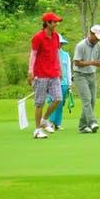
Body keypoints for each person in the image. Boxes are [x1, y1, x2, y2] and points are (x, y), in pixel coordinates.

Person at [27, 12, 64, 140]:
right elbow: (33, 55)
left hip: (53, 73)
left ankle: (44, 120)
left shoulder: (56, 36)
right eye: (54, 22)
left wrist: (60, 69)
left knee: (58, 98)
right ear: (47, 23)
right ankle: (37, 130)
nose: (56, 24)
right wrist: (30, 72)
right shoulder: (38, 37)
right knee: (39, 103)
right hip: (40, 74)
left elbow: (56, 53)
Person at [73, 24, 100, 134]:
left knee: (92, 100)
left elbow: (98, 61)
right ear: (91, 34)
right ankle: (92, 122)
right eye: (96, 37)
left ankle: (82, 126)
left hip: (91, 74)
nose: (98, 40)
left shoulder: (98, 46)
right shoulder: (81, 45)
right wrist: (91, 63)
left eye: (99, 38)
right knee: (87, 100)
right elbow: (76, 62)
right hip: (79, 75)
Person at [48, 33, 73, 131]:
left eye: (61, 43)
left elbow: (68, 70)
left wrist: (69, 83)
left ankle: (57, 123)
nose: (60, 45)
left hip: (64, 83)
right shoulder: (50, 54)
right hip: (53, 82)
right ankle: (50, 122)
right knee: (53, 102)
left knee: (61, 103)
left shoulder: (66, 55)